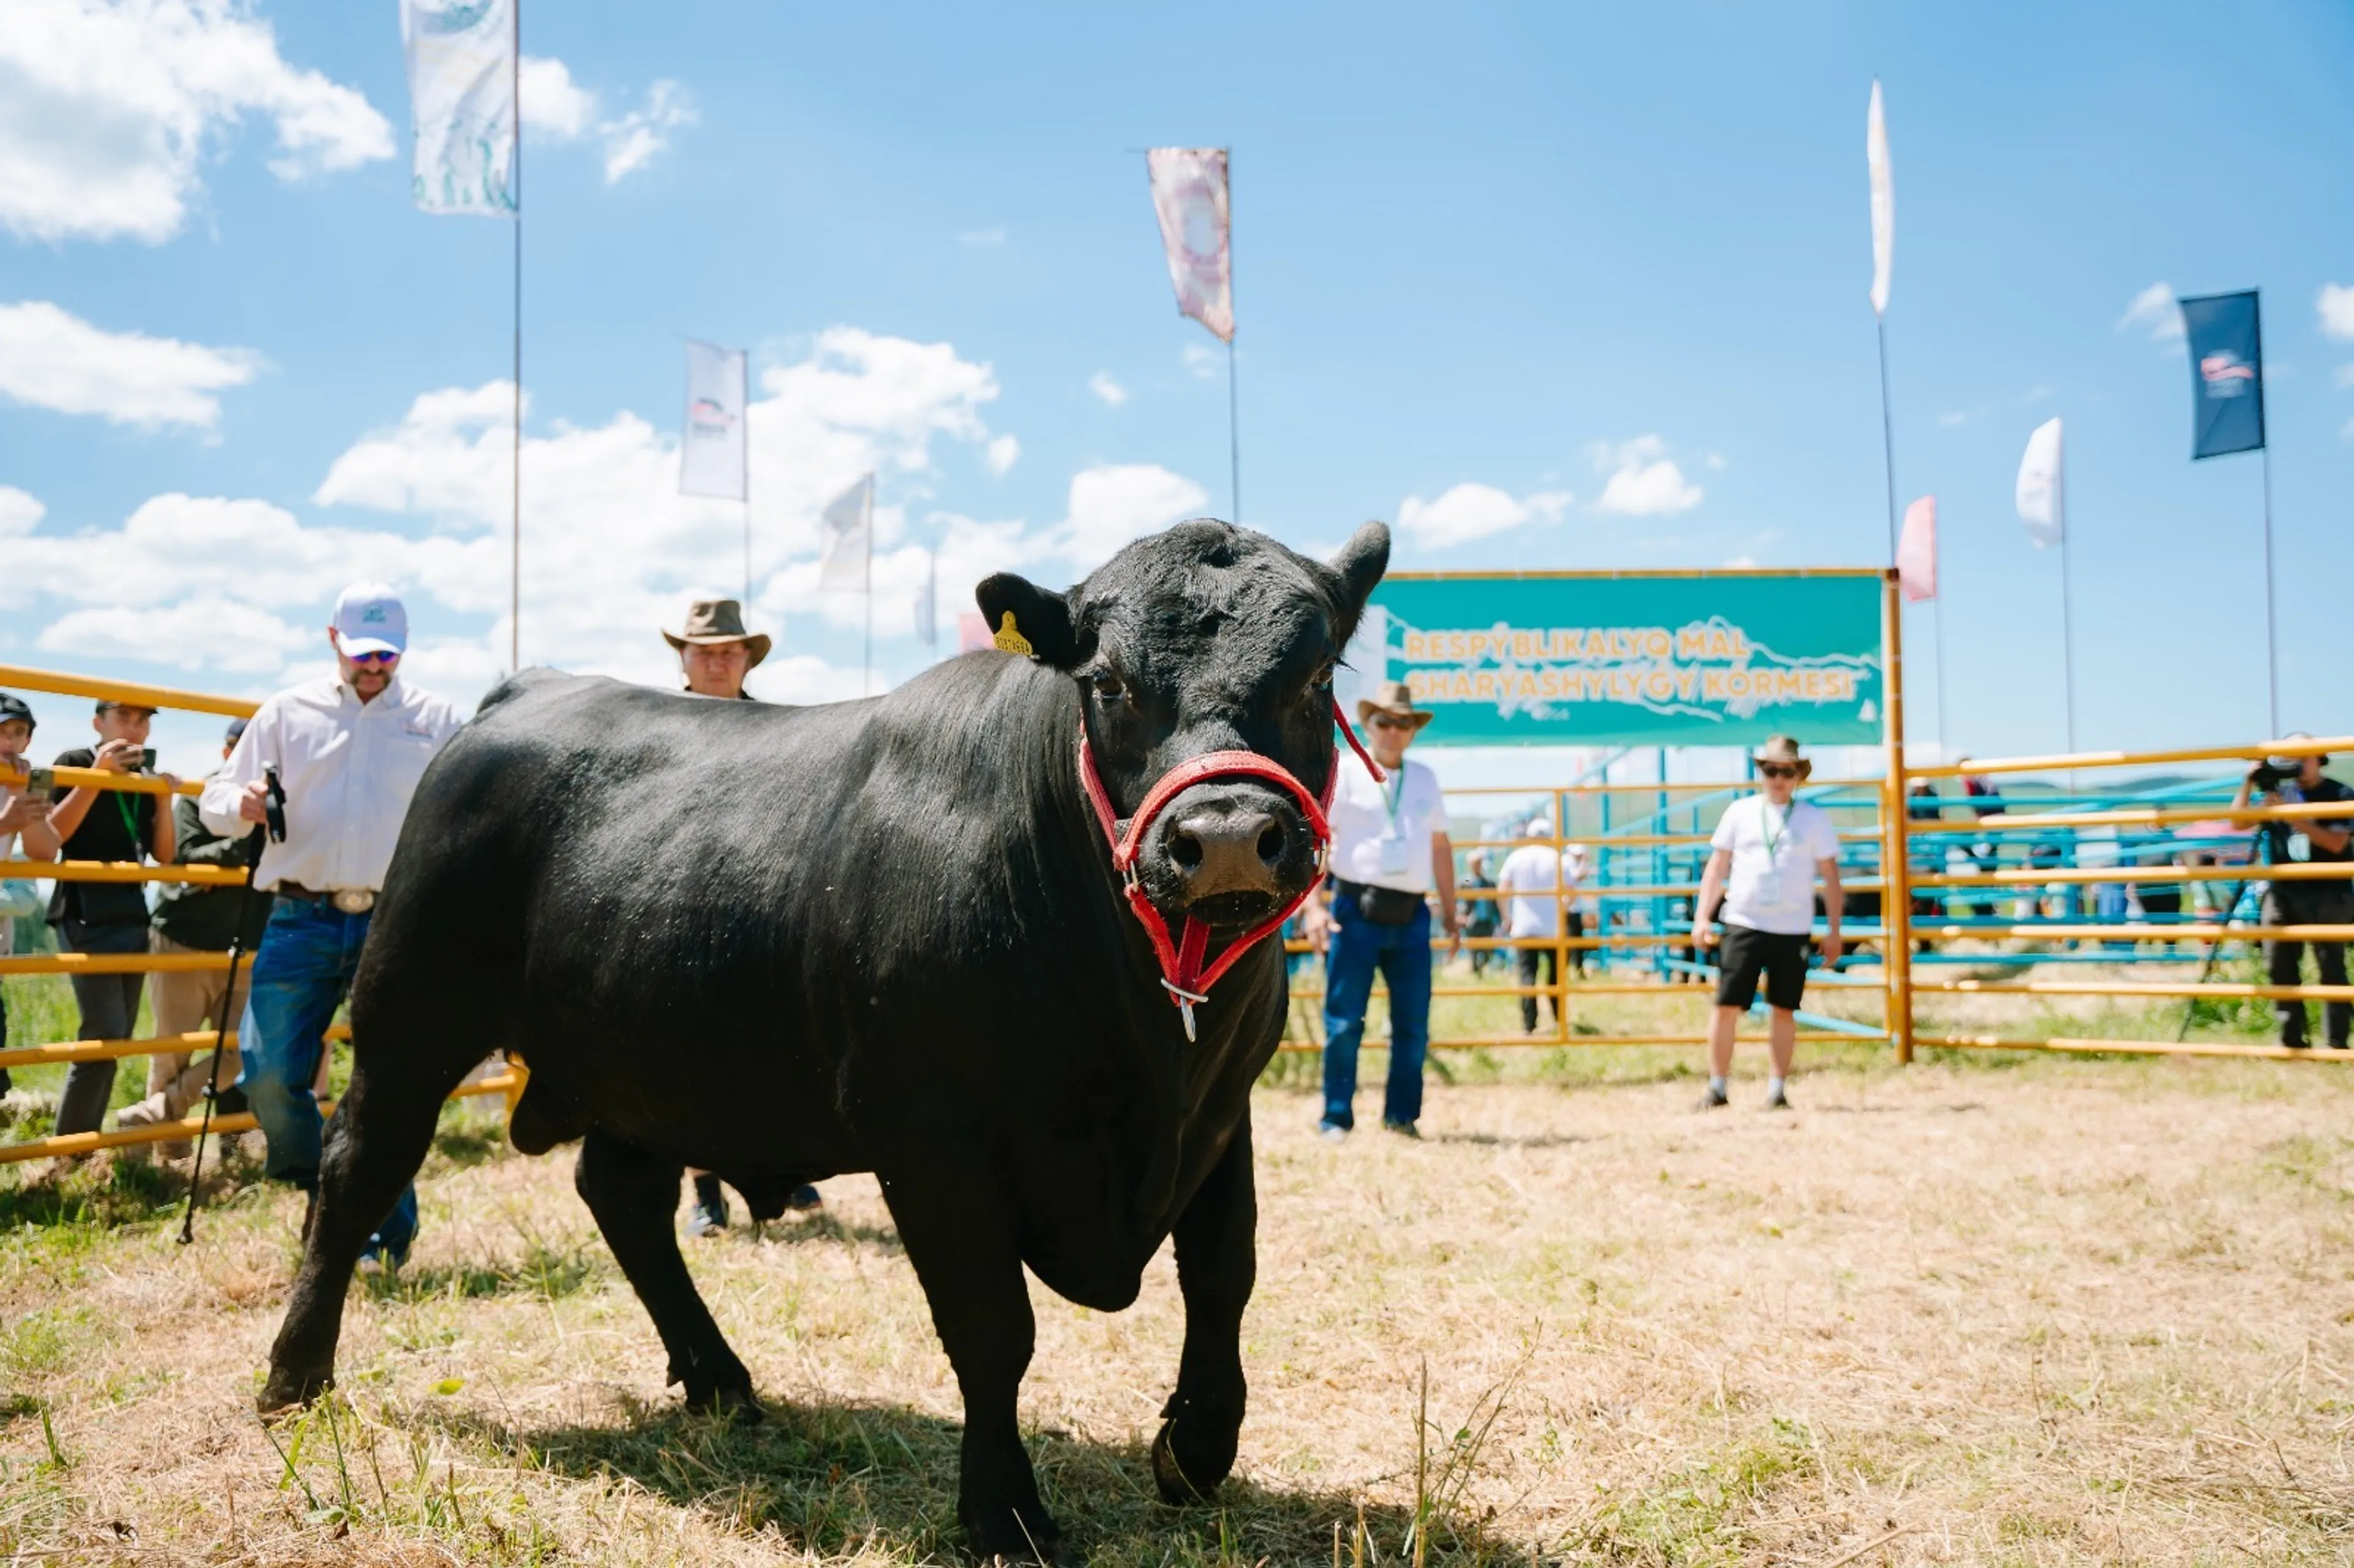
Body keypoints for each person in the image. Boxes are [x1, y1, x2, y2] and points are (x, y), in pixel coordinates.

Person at [200, 585, 464, 1268]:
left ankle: (378, 1231)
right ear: (332, 641)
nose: (374, 667)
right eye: (362, 654)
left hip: (397, 919)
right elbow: (214, 803)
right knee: (265, 1073)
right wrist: (244, 801)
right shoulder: (286, 711)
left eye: (387, 655)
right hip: (299, 913)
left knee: (393, 1087)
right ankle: (327, 1185)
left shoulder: (438, 718)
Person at [662, 597, 824, 1232]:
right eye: (705, 650)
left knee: (776, 1047)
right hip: (676, 910)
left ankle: (788, 1168)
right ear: (685, 656)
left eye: (729, 650)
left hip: (763, 909)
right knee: (687, 1058)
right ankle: (705, 1192)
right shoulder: (653, 726)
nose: (717, 661)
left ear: (747, 658)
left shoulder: (781, 729)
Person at [1299, 681, 1460, 1140]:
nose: (1393, 730)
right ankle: (1336, 1117)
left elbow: (1441, 846)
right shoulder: (1345, 772)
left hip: (1412, 914)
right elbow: (1318, 842)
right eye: (1384, 721)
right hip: (1354, 910)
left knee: (1413, 1025)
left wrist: (1451, 912)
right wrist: (1313, 907)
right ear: (1368, 725)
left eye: (1402, 723)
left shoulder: (1425, 778)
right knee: (1345, 1022)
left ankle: (1402, 1117)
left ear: (1412, 730)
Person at [118, 717, 273, 1157]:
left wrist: (228, 869)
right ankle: (164, 1161)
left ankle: (156, 1116)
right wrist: (251, 846)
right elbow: (185, 858)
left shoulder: (287, 806)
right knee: (172, 1052)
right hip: (184, 939)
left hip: (246, 943)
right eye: (243, 750)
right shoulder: (199, 795)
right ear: (227, 754)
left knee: (248, 1050)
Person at [44, 698, 179, 1137]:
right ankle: (70, 1147)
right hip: (84, 911)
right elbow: (53, 837)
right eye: (124, 717)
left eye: (143, 721)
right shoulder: (75, 763)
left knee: (116, 1039)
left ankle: (81, 1142)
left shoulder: (142, 780)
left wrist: (163, 802)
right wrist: (97, 779)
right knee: (105, 1031)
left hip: (131, 914)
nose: (134, 729)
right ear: (97, 722)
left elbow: (164, 854)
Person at [1693, 736, 1843, 1111]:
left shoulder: (1813, 818)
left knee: (1784, 1008)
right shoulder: (1740, 812)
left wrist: (1835, 931)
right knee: (1726, 1006)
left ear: (1798, 776)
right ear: (1760, 772)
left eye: (1786, 771)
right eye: (1771, 770)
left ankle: (1777, 1089)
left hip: (1792, 928)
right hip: (1743, 922)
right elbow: (1717, 867)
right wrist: (1702, 916)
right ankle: (1718, 1087)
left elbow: (1832, 876)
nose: (1778, 778)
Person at [2232, 737, 2354, 1050]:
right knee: (2279, 964)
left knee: (2332, 968)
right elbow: (2238, 822)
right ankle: (2291, 1041)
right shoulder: (2279, 793)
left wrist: (2292, 816)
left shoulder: (2340, 794)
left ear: (2320, 758)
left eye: (2304, 757)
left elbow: (2337, 843)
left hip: (2329, 891)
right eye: (2289, 758)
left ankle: (2336, 1043)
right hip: (2283, 889)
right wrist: (2250, 781)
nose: (2298, 764)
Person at [0, 693, 63, 1098]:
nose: (8, 741)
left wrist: (26, 797)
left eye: (18, 732)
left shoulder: (18, 785)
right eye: (1, 731)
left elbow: (45, 852)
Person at [1496, 816, 1569, 1035]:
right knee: (1556, 978)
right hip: (1553, 929)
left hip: (1524, 928)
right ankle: (1560, 1021)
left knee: (1527, 977)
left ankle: (1529, 1027)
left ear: (1529, 836)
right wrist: (1563, 909)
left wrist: (1507, 918)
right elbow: (1571, 893)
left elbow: (1502, 891)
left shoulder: (1516, 858)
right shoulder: (1557, 858)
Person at [1458, 850, 1499, 976]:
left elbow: (1495, 901)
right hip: (1472, 920)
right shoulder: (1466, 881)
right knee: (1474, 948)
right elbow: (1458, 895)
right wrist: (1461, 916)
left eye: (1479, 863)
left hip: (1487, 919)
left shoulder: (1489, 882)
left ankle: (1481, 966)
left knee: (1488, 947)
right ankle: (1476, 971)